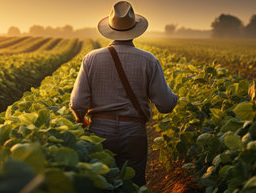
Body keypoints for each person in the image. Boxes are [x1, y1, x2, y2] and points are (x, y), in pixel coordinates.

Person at [69, 1, 178, 187]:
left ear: (110, 29)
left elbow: (78, 103)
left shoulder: (91, 58)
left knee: (102, 183)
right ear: (135, 29)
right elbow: (166, 105)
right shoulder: (149, 60)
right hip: (133, 131)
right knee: (133, 184)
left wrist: (82, 120)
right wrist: (175, 97)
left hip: (99, 131)